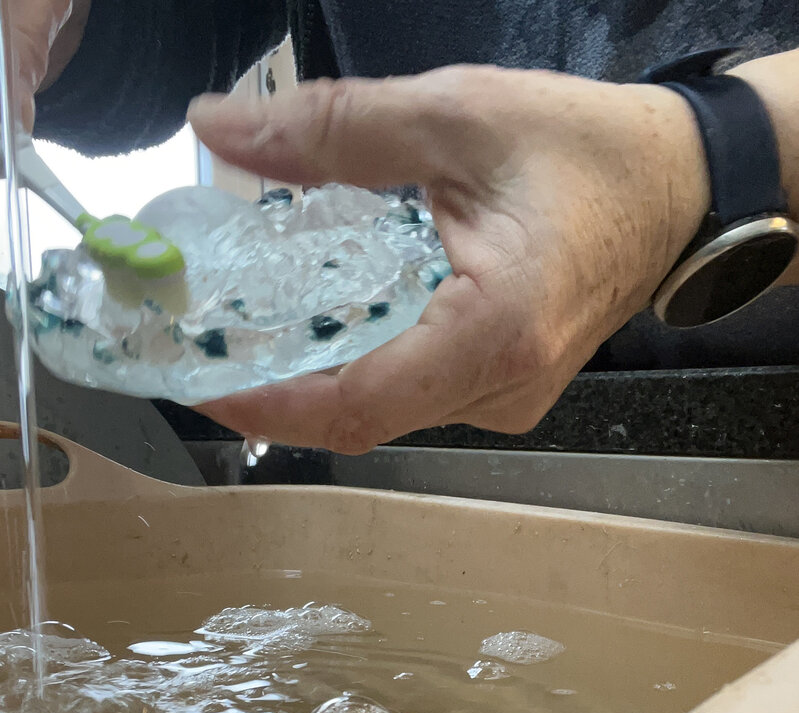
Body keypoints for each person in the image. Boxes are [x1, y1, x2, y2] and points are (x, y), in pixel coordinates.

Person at [10, 1, 799, 455]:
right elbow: (166, 35)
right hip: (415, 403)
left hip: (763, 432)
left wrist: (709, 161)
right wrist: (49, 24)